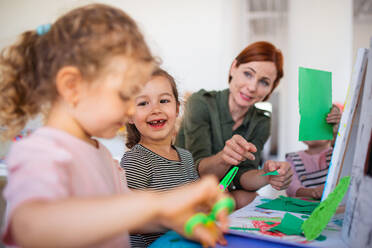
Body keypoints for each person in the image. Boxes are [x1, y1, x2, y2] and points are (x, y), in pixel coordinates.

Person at [0, 4, 229, 247]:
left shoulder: (102, 154)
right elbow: (30, 227)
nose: (131, 110)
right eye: (124, 95)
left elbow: (130, 219)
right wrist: (157, 203)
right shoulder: (42, 152)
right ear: (72, 86)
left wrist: (176, 218)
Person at [176, 41, 293, 209]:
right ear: (234, 67)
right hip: (185, 186)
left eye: (264, 82)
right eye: (248, 74)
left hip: (218, 192)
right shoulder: (200, 102)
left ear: (271, 89)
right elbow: (197, 171)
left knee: (251, 198)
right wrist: (224, 158)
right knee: (224, 200)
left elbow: (242, 177)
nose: (252, 87)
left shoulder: (262, 121)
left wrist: (268, 176)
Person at [121, 68, 199, 247]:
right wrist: (178, 217)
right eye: (143, 103)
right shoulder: (136, 160)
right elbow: (132, 221)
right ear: (130, 115)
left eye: (164, 100)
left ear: (177, 108)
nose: (155, 109)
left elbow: (195, 203)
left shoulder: (186, 157)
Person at [286, 105, 342, 199]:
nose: (309, 129)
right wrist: (313, 192)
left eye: (317, 125)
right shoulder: (293, 159)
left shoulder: (336, 155)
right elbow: (291, 188)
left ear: (333, 131)